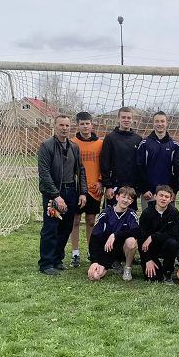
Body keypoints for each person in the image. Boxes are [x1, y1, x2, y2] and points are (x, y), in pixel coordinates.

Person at [37, 115, 87, 275]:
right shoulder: (46, 146)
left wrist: (82, 192)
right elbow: (44, 173)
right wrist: (56, 195)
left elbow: (80, 170)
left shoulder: (74, 147)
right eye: (61, 125)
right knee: (51, 228)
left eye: (67, 125)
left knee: (66, 227)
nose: (64, 128)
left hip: (71, 191)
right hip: (53, 193)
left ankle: (57, 259)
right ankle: (46, 263)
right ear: (55, 126)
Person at [69, 112, 103, 268]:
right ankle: (75, 253)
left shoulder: (100, 143)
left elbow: (105, 164)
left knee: (91, 221)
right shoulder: (72, 143)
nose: (85, 126)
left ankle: (91, 251)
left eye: (87, 123)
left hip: (94, 189)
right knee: (75, 220)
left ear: (92, 124)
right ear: (77, 125)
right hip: (77, 189)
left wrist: (101, 181)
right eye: (82, 124)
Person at [86, 186, 139, 282]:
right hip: (108, 249)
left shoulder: (132, 214)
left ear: (131, 202)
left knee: (131, 241)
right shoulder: (106, 213)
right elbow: (95, 236)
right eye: (123, 197)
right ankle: (114, 262)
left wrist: (114, 235)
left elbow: (136, 231)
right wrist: (94, 261)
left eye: (129, 198)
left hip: (122, 249)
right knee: (94, 276)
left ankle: (127, 269)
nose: (125, 200)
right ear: (117, 197)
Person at [100, 106, 142, 210]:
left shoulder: (138, 139)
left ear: (132, 120)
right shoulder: (110, 138)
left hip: (131, 187)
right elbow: (105, 163)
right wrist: (108, 186)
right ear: (118, 119)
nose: (126, 120)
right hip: (114, 186)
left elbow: (140, 164)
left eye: (129, 118)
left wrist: (138, 187)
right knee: (111, 215)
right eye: (123, 117)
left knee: (129, 216)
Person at [138, 185, 179, 282]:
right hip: (150, 249)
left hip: (165, 246)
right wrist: (148, 259)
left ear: (171, 199)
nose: (163, 199)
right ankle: (154, 266)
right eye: (161, 195)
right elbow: (141, 238)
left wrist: (153, 237)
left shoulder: (173, 212)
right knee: (154, 278)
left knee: (172, 243)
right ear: (155, 196)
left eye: (166, 197)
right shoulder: (146, 213)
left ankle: (168, 271)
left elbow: (173, 233)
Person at [136, 111, 179, 207]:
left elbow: (178, 170)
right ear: (153, 123)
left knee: (169, 217)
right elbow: (139, 168)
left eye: (162, 121)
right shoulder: (144, 144)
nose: (160, 124)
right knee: (148, 217)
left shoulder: (174, 145)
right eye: (157, 121)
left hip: (168, 194)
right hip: (149, 193)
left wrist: (174, 190)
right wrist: (144, 189)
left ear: (167, 123)